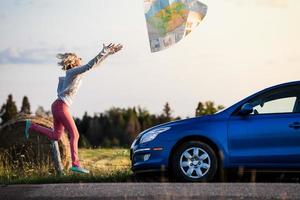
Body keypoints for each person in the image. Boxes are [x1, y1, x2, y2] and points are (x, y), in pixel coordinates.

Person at [24, 43, 123, 174]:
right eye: (79, 57)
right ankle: (75, 164)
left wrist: (109, 54)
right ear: (74, 61)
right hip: (61, 106)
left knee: (56, 136)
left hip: (58, 105)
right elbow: (89, 66)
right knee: (75, 134)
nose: (81, 58)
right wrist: (103, 51)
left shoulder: (76, 74)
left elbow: (94, 66)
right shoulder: (72, 72)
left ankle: (31, 125)